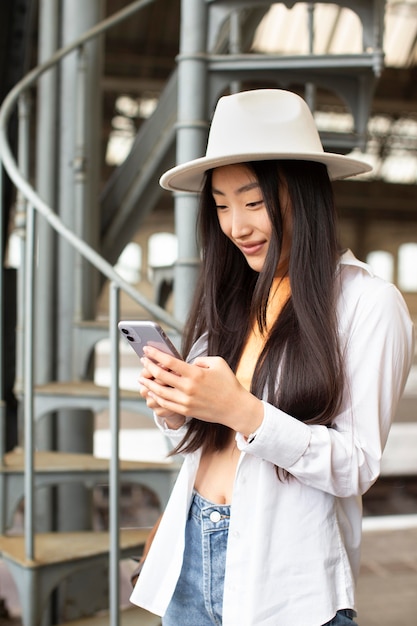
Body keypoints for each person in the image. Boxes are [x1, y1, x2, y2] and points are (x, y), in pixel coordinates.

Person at [130, 89, 414, 626]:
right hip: (189, 556)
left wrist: (244, 411)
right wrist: (175, 411)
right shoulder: (233, 297)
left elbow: (357, 466)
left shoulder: (367, 305)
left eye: (253, 201)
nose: (235, 226)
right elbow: (202, 445)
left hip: (286, 579)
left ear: (302, 195)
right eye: (220, 206)